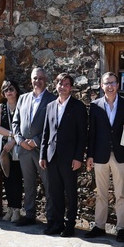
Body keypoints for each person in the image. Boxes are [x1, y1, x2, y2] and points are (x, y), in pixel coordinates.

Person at [85, 71, 124, 242]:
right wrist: (89, 155)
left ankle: (121, 228)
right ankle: (99, 225)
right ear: (101, 85)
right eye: (107, 83)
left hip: (120, 154)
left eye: (113, 82)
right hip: (100, 155)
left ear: (118, 85)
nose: (110, 86)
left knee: (121, 194)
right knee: (101, 193)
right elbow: (92, 133)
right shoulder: (95, 105)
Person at [39, 73, 87, 236]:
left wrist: (78, 157)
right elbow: (46, 132)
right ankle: (57, 223)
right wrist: (42, 155)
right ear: (56, 85)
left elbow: (82, 135)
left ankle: (70, 224)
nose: (63, 86)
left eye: (66, 84)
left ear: (71, 88)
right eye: (60, 83)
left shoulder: (78, 107)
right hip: (52, 156)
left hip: (70, 157)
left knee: (71, 192)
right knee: (55, 192)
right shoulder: (51, 106)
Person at [12, 67, 54, 226]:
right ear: (31, 80)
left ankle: (51, 217)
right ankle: (29, 214)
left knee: (48, 184)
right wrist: (19, 139)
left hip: (41, 149)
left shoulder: (52, 99)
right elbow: (15, 122)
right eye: (35, 78)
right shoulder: (23, 98)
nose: (38, 81)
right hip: (24, 149)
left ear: (46, 80)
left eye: (41, 78)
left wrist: (36, 140)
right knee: (28, 184)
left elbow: (52, 125)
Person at [0, 79, 24, 223]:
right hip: (5, 147)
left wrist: (14, 140)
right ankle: (10, 208)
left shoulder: (23, 104)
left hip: (19, 146)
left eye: (11, 88)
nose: (9, 92)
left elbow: (25, 126)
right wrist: (11, 136)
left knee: (17, 178)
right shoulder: (0, 107)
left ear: (16, 90)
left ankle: (17, 209)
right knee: (7, 177)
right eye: (5, 90)